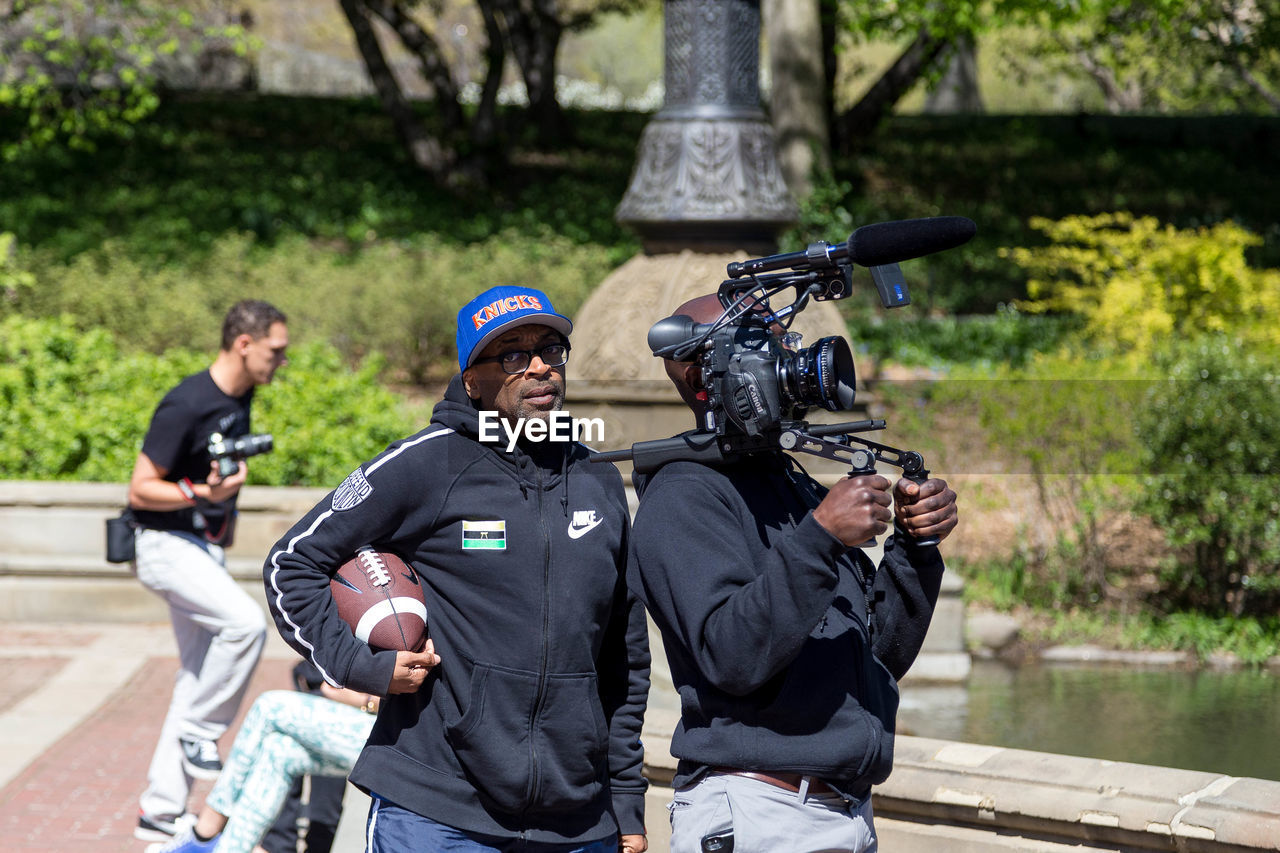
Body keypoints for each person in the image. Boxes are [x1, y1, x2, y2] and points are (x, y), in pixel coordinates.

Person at [263, 285, 651, 853]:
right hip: (436, 807)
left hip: (577, 819)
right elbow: (291, 562)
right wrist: (360, 667)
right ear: (472, 379)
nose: (540, 367)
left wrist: (625, 798)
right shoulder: (426, 463)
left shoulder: (595, 479)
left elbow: (624, 651)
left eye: (550, 350)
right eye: (513, 355)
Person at [627, 294, 960, 853]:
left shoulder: (792, 486)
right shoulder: (683, 496)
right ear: (699, 375)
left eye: (786, 343)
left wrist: (916, 547)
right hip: (759, 814)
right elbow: (732, 658)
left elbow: (878, 659)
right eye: (762, 345)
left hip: (843, 811)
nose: (788, 359)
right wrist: (820, 536)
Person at [129, 299, 289, 843]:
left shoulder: (242, 396)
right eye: (276, 351)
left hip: (200, 548)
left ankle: (160, 806)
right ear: (244, 344)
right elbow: (139, 488)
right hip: (162, 544)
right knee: (245, 624)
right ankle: (202, 732)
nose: (282, 362)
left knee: (196, 678)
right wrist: (202, 492)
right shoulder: (187, 401)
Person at [144, 684, 379, 853]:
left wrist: (364, 700)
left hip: (397, 739)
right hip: (379, 730)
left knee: (268, 706)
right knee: (279, 750)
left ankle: (204, 832)